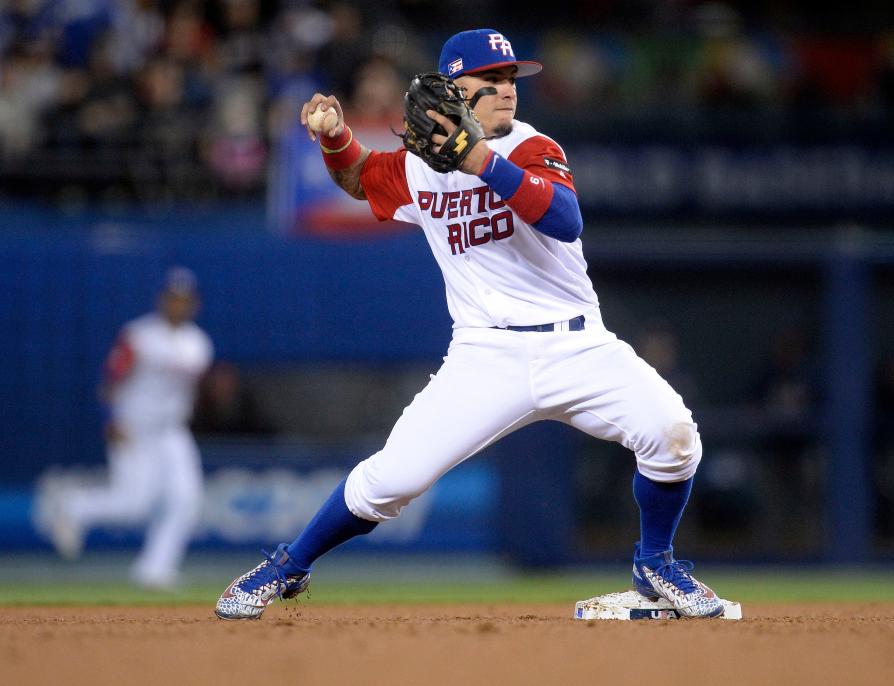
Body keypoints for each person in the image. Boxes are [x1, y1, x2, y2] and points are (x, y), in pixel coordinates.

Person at [215, 29, 725, 619]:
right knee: (390, 482)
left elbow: (565, 218)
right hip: (484, 355)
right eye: (493, 80)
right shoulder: (419, 165)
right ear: (454, 91)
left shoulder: (533, 147)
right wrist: (336, 139)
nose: (508, 90)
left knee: (674, 437)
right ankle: (287, 566)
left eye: (512, 78)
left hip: (579, 343)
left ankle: (655, 564)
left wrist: (480, 160)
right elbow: (360, 178)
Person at [51, 267, 214, 589]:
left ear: (194, 304)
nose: (178, 304)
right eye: (173, 298)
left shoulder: (199, 343)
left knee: (187, 499)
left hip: (173, 431)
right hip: (135, 428)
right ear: (162, 300)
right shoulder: (139, 336)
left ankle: (154, 569)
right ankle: (72, 507)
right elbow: (110, 381)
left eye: (185, 299)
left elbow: (189, 392)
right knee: (132, 504)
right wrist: (110, 419)